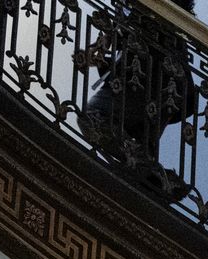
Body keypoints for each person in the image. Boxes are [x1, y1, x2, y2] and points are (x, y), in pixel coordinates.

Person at [82, 0, 199, 202]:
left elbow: (138, 30)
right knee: (138, 148)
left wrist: (108, 42)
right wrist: (104, 46)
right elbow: (126, 29)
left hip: (153, 79)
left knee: (94, 117)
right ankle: (156, 182)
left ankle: (157, 179)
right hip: (160, 83)